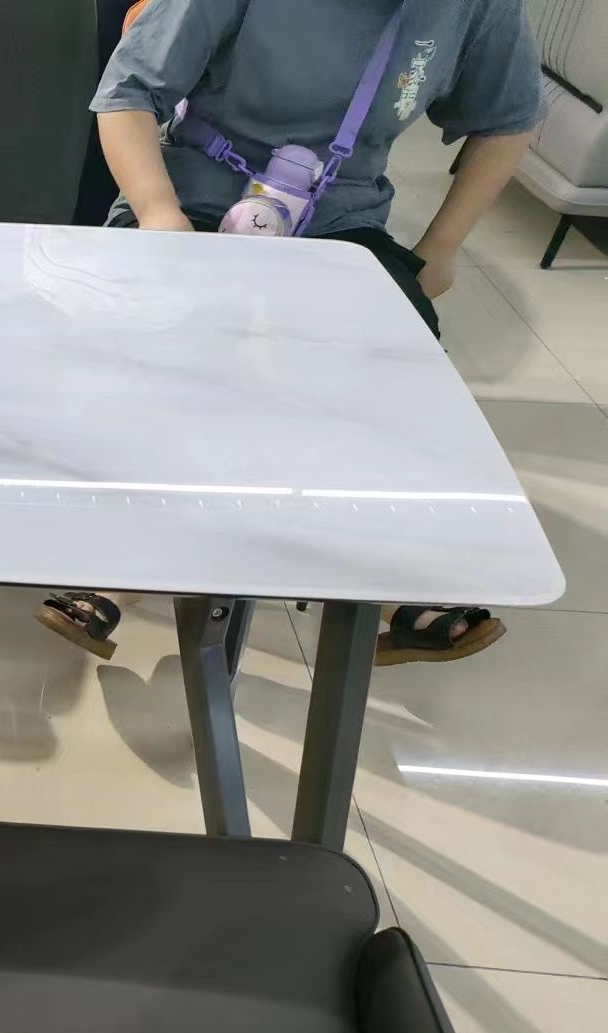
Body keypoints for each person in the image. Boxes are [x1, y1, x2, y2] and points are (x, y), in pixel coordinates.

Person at [37, 0, 542, 666]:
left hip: (338, 220)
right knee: (190, 352)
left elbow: (508, 119)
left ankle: (375, 567)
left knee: (391, 362)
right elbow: (128, 94)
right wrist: (159, 214)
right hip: (197, 203)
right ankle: (130, 564)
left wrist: (441, 247)